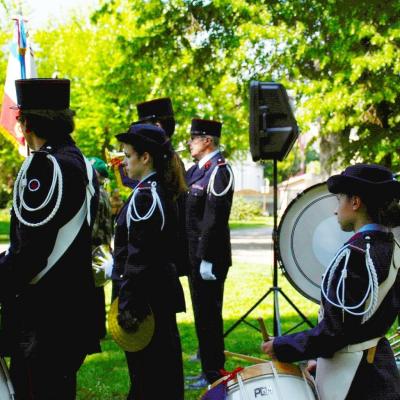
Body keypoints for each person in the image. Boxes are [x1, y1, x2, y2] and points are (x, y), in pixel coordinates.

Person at [262, 163, 400, 400]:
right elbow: (357, 326)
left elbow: (334, 333)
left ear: (355, 203)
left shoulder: (355, 255)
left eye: (339, 200)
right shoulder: (393, 247)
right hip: (381, 369)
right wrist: (321, 359)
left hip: (354, 381)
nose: (337, 210)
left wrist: (282, 346)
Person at [0, 78, 100, 399]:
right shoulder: (81, 162)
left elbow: (30, 254)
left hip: (43, 318)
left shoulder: (45, 167)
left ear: (26, 123)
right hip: (73, 310)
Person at [112, 123, 186, 399]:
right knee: (159, 375)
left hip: (146, 300)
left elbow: (141, 257)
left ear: (145, 158)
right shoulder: (156, 191)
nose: (124, 161)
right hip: (156, 293)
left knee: (149, 378)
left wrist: (127, 305)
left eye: (128, 155)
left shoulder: (146, 197)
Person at [185, 118, 234, 388]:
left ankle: (214, 374)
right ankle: (207, 368)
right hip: (196, 257)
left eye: (193, 138)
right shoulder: (198, 170)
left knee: (210, 318)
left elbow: (214, 219)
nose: (190, 143)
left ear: (207, 141)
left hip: (210, 258)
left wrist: (205, 257)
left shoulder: (219, 171)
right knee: (202, 317)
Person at [88, 156, 113, 340]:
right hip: (102, 246)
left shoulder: (94, 193)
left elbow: (94, 224)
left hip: (92, 246)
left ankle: (94, 330)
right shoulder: (104, 193)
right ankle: (98, 329)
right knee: (97, 289)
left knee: (91, 289)